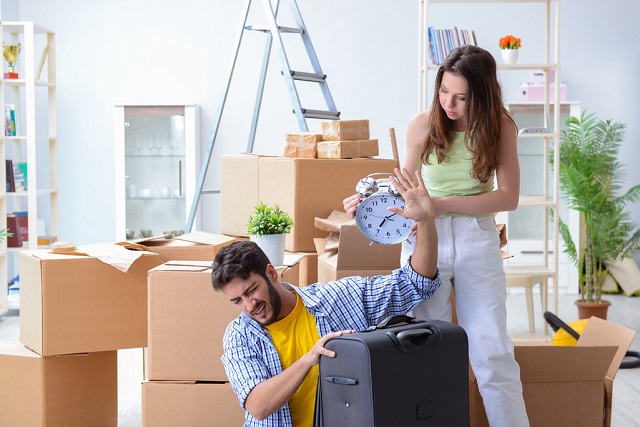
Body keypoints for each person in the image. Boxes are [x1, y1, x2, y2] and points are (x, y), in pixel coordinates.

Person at [344, 45, 529, 426]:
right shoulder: (423, 124)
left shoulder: (501, 126)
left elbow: (508, 197)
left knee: (492, 352)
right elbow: (403, 188)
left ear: (483, 95)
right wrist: (365, 202)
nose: (449, 103)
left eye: (462, 97)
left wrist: (441, 205)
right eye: (444, 91)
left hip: (476, 237)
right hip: (425, 239)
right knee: (426, 347)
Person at [212, 168, 440, 427]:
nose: (249, 305)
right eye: (237, 301)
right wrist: (311, 357)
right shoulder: (240, 335)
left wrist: (426, 222)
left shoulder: (339, 299)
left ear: (271, 273)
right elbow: (259, 406)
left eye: (252, 290)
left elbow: (415, 283)